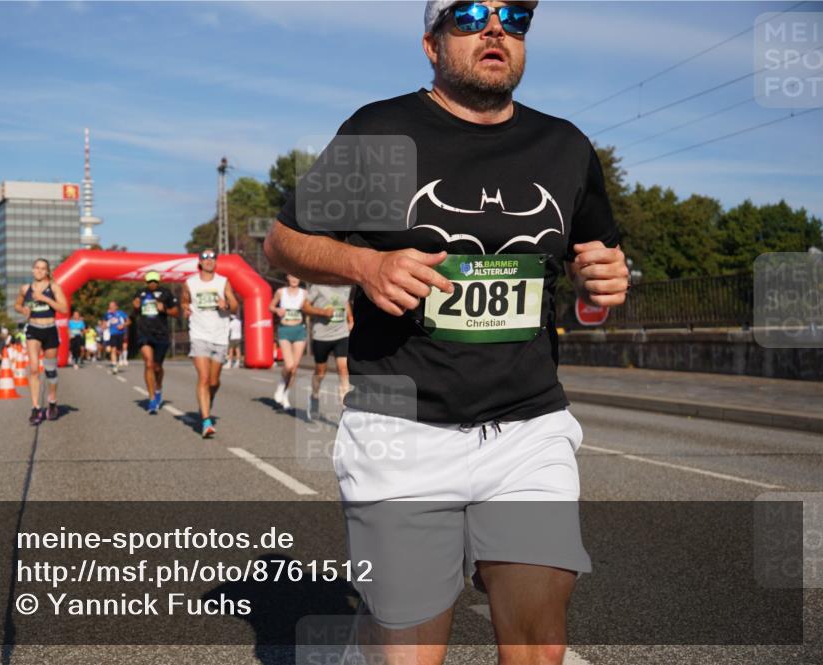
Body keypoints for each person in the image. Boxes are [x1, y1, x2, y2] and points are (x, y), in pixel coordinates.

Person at [262, 2, 630, 663]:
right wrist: (364, 263)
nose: (495, 28)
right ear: (431, 44)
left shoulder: (566, 147)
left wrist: (603, 286)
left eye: (514, 16)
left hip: (527, 429)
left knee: (539, 646)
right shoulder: (381, 132)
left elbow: (591, 266)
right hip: (401, 430)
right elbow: (284, 242)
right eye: (469, 13)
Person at [180, 248, 238, 438]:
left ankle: (207, 400)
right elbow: (184, 301)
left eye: (212, 257)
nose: (209, 260)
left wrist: (227, 305)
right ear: (200, 262)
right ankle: (206, 420)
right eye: (205, 257)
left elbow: (235, 305)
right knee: (204, 378)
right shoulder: (190, 283)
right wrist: (186, 309)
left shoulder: (223, 282)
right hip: (199, 335)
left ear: (215, 262)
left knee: (214, 381)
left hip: (220, 336)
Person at [15, 258, 69, 424]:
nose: (39, 271)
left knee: (50, 370)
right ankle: (36, 407)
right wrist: (23, 309)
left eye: (42, 269)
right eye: (36, 268)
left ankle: (52, 401)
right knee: (33, 369)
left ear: (47, 272)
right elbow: (17, 305)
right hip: (33, 329)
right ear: (32, 270)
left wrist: (45, 299)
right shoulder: (25, 288)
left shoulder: (54, 287)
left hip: (50, 329)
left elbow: (64, 309)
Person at [305, 283, 354, 420]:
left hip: (341, 334)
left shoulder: (346, 285)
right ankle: (314, 396)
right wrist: (322, 312)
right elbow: (305, 306)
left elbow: (345, 303)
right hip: (321, 336)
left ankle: (345, 411)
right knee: (320, 372)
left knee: (343, 369)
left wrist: (350, 318)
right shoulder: (318, 285)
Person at [133, 270, 180, 413]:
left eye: (154, 281)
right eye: (149, 281)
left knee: (157, 367)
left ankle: (158, 388)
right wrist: (135, 307)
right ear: (146, 282)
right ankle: (152, 399)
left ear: (158, 281)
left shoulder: (166, 293)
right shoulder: (140, 293)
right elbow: (135, 312)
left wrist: (164, 309)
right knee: (148, 363)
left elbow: (176, 313)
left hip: (161, 334)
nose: (152, 284)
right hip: (144, 333)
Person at [270, 274, 308, 410]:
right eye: (292, 276)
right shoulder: (281, 292)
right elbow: (271, 306)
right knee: (289, 365)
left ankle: (286, 395)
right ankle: (281, 384)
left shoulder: (305, 293)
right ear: (287, 277)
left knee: (294, 368)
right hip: (285, 330)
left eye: (297, 276)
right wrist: (277, 310)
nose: (294, 279)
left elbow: (309, 308)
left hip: (299, 330)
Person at [104, 302, 129, 374]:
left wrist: (123, 325)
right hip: (113, 334)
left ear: (116, 307)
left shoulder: (121, 313)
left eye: (112, 306)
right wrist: (104, 326)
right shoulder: (107, 314)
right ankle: (114, 366)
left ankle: (118, 360)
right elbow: (104, 323)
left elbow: (129, 321)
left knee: (119, 351)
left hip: (121, 333)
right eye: (109, 306)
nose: (111, 308)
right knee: (113, 349)